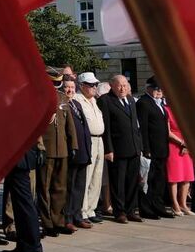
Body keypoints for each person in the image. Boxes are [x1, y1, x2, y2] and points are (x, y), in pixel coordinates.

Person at [99, 74, 143, 224]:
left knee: (132, 181)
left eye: (125, 85)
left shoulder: (130, 100)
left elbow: (135, 125)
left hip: (134, 148)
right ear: (112, 86)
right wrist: (108, 149)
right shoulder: (105, 101)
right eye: (119, 85)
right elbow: (107, 128)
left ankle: (131, 210)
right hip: (117, 149)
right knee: (118, 183)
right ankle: (119, 212)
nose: (123, 88)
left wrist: (139, 146)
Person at [36, 72, 72, 237]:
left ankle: (58, 220)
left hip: (62, 148)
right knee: (44, 188)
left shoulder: (63, 98)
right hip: (47, 148)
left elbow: (68, 123)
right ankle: (47, 222)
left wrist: (74, 145)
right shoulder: (39, 97)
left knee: (60, 187)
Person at [71, 73, 108, 225]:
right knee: (86, 176)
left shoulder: (93, 100)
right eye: (91, 85)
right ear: (82, 85)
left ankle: (91, 209)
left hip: (99, 139)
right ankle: (82, 209)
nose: (94, 87)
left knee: (97, 176)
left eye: (95, 85)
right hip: (89, 139)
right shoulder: (77, 99)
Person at [137, 77, 173, 219]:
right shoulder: (144, 103)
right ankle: (146, 208)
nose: (159, 92)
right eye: (156, 89)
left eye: (161, 89)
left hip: (161, 148)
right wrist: (146, 149)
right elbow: (143, 128)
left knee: (159, 180)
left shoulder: (160, 104)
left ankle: (158, 206)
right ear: (149, 88)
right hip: (151, 149)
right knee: (148, 180)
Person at [2, 142, 44, 252]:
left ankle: (34, 248)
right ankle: (23, 245)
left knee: (25, 204)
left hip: (21, 155)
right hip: (14, 154)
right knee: (18, 205)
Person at [63, 75, 94, 230]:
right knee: (69, 186)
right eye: (67, 87)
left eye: (72, 88)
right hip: (70, 153)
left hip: (83, 152)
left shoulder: (76, 104)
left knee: (80, 186)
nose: (70, 90)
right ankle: (67, 217)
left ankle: (77, 215)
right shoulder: (62, 105)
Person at [165, 103, 195, 215]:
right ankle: (174, 204)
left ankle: (183, 204)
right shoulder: (166, 109)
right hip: (174, 145)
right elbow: (168, 132)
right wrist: (182, 143)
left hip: (187, 144)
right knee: (174, 176)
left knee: (187, 176)